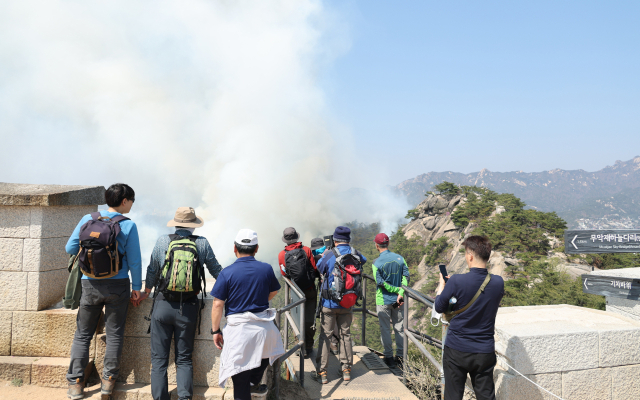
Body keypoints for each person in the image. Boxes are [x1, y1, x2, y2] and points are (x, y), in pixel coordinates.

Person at [135, 207, 222, 400]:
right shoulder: (202, 243)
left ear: (175, 223)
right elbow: (217, 271)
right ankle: (184, 398)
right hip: (188, 308)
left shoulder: (162, 241)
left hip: (162, 305)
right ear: (192, 226)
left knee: (159, 360)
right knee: (184, 359)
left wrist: (146, 292)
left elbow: (152, 270)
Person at [65, 183, 142, 399]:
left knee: (82, 335)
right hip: (117, 285)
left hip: (89, 284)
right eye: (132, 201)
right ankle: (108, 383)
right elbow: (135, 261)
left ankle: (75, 384)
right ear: (124, 201)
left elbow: (70, 248)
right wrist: (136, 288)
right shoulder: (128, 225)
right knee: (115, 334)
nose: (132, 205)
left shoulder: (87, 219)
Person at [210, 229, 285, 400]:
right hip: (264, 329)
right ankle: (253, 382)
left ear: (234, 248)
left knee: (240, 383)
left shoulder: (227, 272)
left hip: (239, 333)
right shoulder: (266, 269)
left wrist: (215, 331)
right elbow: (274, 291)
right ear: (256, 248)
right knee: (265, 356)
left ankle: (249, 385)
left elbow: (217, 303)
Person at [434, 236, 504, 400]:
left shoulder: (457, 281)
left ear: (470, 255)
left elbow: (439, 306)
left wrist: (442, 286)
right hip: (484, 350)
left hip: (456, 349)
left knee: (453, 395)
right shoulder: (498, 282)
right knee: (486, 396)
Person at [315, 226, 366, 384]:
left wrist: (324, 254)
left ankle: (322, 373)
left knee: (326, 335)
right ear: (348, 239)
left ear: (335, 240)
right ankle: (346, 369)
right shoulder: (355, 252)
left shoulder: (330, 253)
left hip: (329, 303)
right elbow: (363, 260)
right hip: (347, 302)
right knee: (345, 335)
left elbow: (319, 268)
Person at [278, 227, 319, 357]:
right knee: (309, 317)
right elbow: (314, 267)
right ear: (297, 237)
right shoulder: (306, 250)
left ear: (285, 240)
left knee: (296, 318)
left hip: (295, 291)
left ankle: (299, 345)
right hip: (309, 289)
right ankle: (309, 344)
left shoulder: (282, 255)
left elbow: (284, 273)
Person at [372, 233, 410, 368]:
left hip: (383, 300)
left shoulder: (376, 263)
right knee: (399, 328)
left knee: (385, 329)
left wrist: (394, 290)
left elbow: (380, 282)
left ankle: (388, 358)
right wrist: (400, 291)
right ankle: (400, 358)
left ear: (376, 245)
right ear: (388, 244)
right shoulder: (400, 259)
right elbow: (406, 276)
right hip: (399, 300)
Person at [310, 238, 339, 355]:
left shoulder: (321, 257)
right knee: (338, 317)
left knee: (327, 319)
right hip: (340, 289)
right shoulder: (334, 253)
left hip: (327, 291)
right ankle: (337, 344)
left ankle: (330, 346)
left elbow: (317, 269)